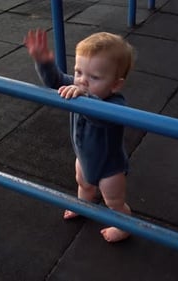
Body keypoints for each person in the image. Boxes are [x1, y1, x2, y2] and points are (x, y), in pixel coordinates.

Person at [24, 29, 134, 242]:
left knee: (114, 202)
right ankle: (83, 206)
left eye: (94, 77)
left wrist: (85, 99)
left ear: (115, 84)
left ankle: (124, 227)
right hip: (83, 158)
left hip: (109, 168)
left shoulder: (117, 104)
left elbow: (100, 118)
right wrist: (44, 62)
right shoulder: (79, 88)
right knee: (83, 185)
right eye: (78, 72)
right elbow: (56, 81)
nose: (83, 81)